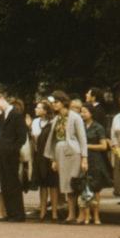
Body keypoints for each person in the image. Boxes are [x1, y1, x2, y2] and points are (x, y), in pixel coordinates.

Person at [44, 92, 88, 224]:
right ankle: (71, 214)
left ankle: (81, 214)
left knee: (76, 183)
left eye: (56, 102)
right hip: (60, 152)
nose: (54, 105)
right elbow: (53, 139)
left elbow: (82, 138)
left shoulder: (75, 117)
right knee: (66, 184)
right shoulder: (56, 118)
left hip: (73, 152)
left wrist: (84, 157)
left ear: (63, 102)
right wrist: (53, 159)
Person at [0, 92, 27, 223]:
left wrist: (13, 149)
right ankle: (10, 212)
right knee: (5, 183)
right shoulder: (1, 116)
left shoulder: (16, 114)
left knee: (13, 183)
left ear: (3, 99)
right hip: (2, 153)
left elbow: (22, 136)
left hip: (11, 154)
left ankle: (18, 213)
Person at [79, 102, 112, 225]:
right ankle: (87, 215)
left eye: (85, 112)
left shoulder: (98, 127)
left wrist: (87, 146)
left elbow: (103, 146)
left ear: (91, 113)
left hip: (95, 159)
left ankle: (96, 215)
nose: (82, 114)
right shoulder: (80, 125)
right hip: (83, 158)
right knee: (84, 186)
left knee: (96, 188)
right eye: (81, 112)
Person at [30, 99, 58, 221]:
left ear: (45, 111)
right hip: (39, 154)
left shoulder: (53, 122)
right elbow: (32, 139)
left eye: (39, 107)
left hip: (50, 154)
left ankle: (55, 212)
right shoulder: (35, 122)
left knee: (52, 183)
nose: (36, 109)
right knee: (42, 184)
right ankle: (42, 211)